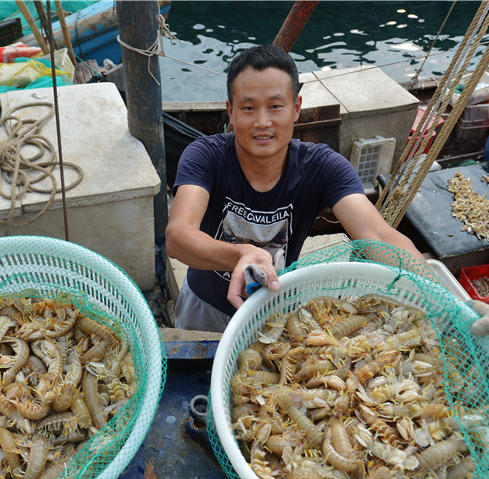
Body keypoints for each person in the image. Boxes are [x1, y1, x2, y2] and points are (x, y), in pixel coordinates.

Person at [165, 44, 426, 332]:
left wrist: (441, 297)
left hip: (275, 310)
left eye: (276, 106)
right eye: (248, 108)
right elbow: (178, 236)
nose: (262, 122)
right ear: (231, 111)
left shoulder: (324, 166)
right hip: (204, 307)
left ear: (296, 109)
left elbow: (377, 234)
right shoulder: (204, 156)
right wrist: (240, 254)